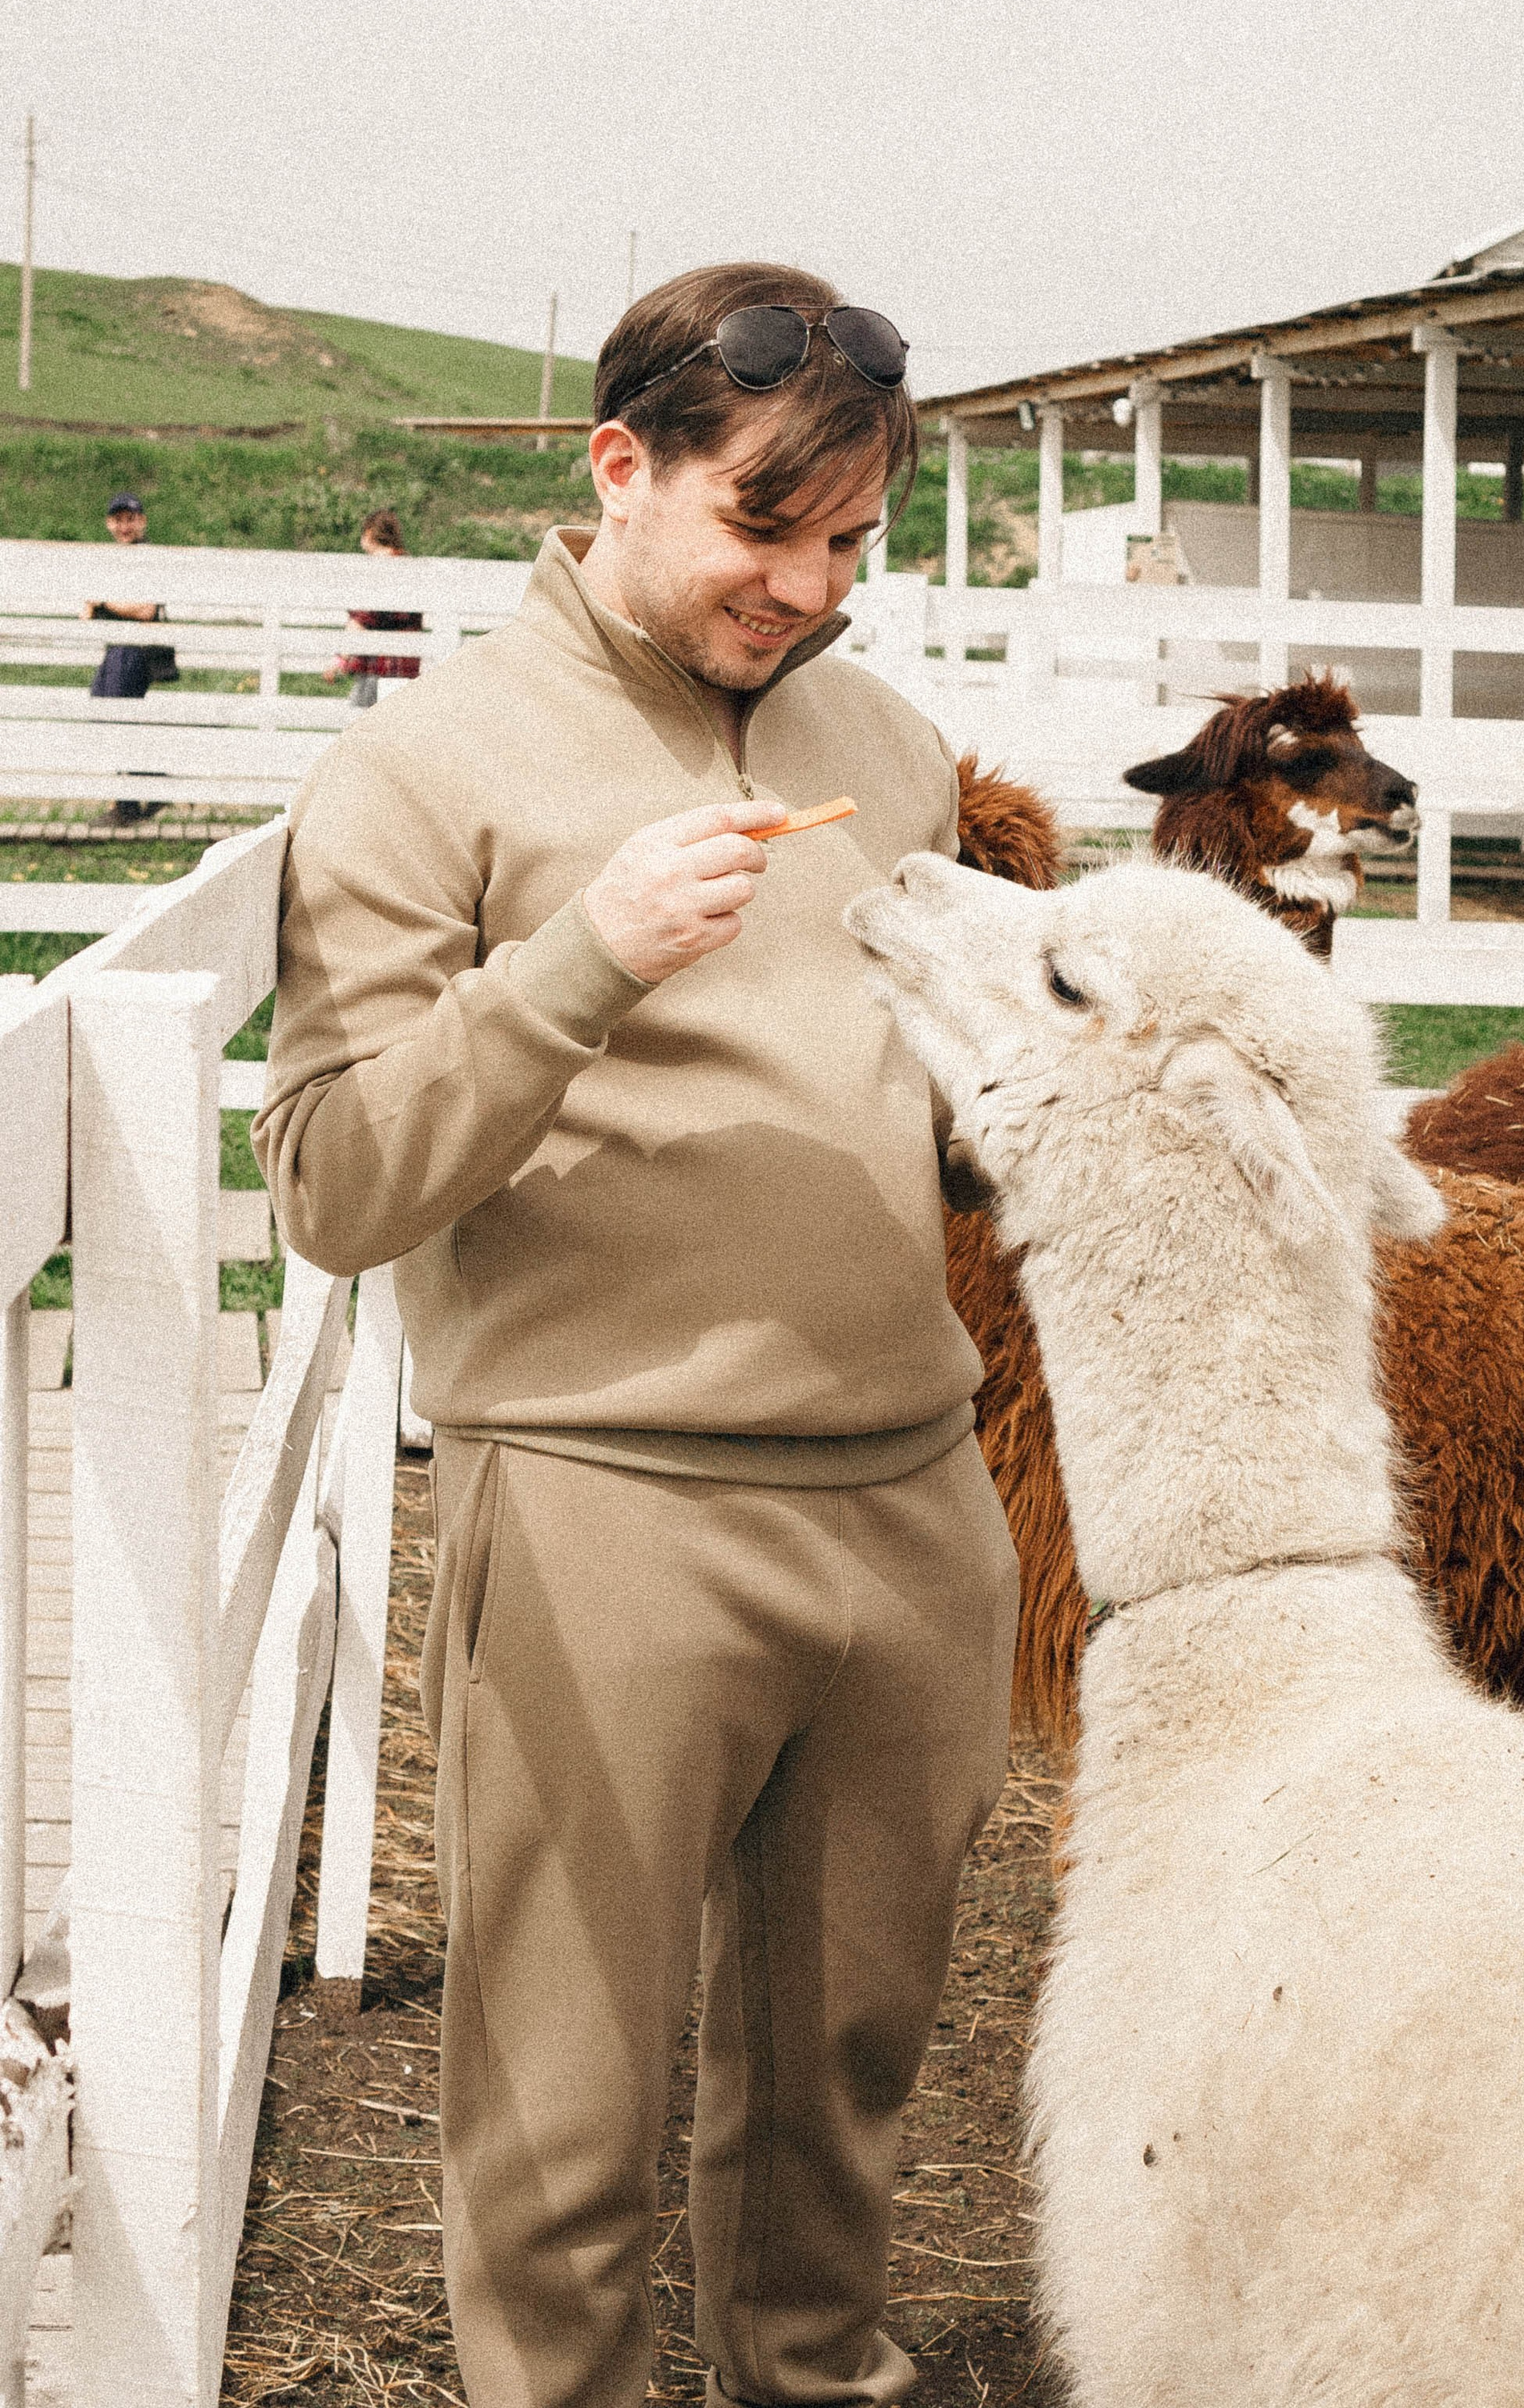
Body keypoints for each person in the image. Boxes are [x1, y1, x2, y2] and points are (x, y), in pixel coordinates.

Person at [256, 263, 1017, 2408]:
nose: (807, 587)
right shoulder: (429, 771)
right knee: (565, 2141)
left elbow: (914, 1102)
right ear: (620, 464)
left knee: (841, 2114)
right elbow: (331, 1184)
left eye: (853, 541)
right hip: (608, 1506)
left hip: (908, 1494)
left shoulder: (882, 746)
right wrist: (575, 964)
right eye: (763, 528)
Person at [85, 490, 177, 821]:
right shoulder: (114, 559)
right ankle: (153, 785)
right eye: (119, 519)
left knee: (119, 718)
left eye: (131, 519)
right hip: (117, 649)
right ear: (110, 523)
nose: (125, 526)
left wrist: (103, 603)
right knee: (104, 710)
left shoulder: (146, 557)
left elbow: (145, 610)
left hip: (134, 650)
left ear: (142, 521)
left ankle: (127, 806)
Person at [324, 507, 425, 706]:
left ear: (369, 533)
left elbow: (363, 619)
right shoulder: (409, 567)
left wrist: (340, 661)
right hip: (406, 666)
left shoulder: (379, 570)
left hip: (378, 667)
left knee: (360, 725)